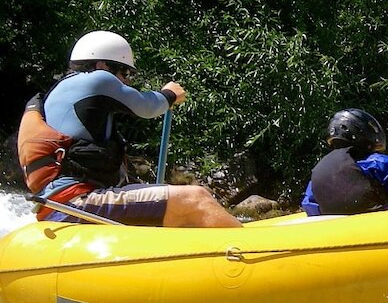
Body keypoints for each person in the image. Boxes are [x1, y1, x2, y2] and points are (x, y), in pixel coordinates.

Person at [19, 30, 241, 227]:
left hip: (61, 201)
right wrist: (169, 94)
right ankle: (248, 254)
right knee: (196, 198)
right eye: (124, 72)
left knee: (175, 201)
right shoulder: (97, 80)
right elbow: (147, 107)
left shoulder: (63, 91)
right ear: (103, 65)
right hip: (76, 200)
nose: (125, 81)